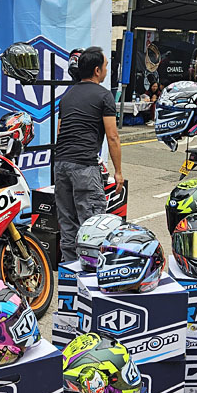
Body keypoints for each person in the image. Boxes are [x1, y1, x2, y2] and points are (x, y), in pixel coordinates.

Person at [55, 47, 122, 261]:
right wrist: (118, 172)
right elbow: (113, 137)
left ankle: (69, 272)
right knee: (93, 225)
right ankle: (91, 274)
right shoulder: (104, 95)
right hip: (84, 166)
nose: (106, 71)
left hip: (61, 164)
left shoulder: (67, 96)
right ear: (96, 70)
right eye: (105, 67)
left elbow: (60, 131)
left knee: (67, 224)